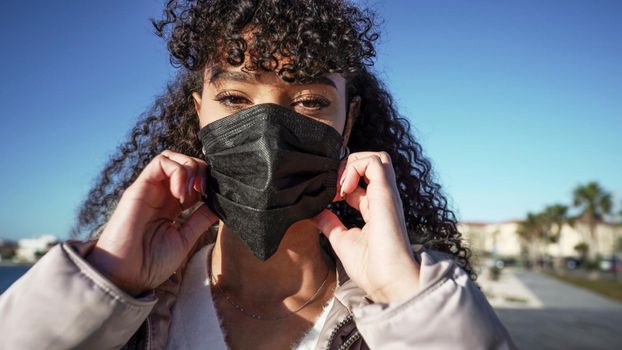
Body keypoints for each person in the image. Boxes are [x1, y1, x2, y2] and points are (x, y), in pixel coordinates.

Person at [0, 0, 517, 349]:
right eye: (233, 98)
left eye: (311, 101)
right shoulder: (133, 313)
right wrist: (106, 283)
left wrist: (404, 296)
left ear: (349, 121)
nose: (268, 132)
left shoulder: (399, 306)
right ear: (198, 111)